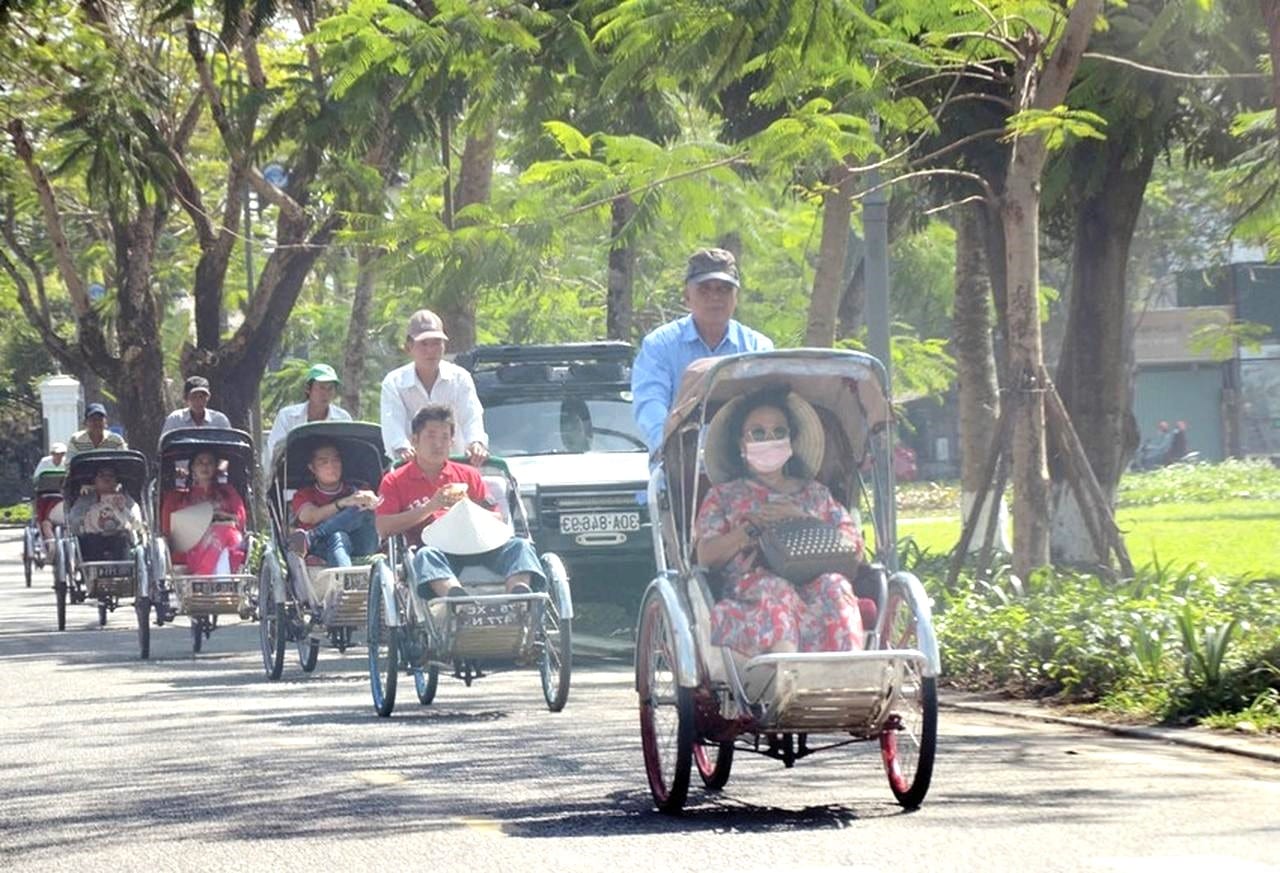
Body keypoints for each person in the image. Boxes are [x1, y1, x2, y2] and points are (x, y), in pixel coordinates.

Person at [694, 389, 864, 657]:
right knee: (775, 588)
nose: (769, 439)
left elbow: (855, 550)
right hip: (750, 595)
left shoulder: (816, 494)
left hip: (814, 585)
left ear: (790, 441)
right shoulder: (723, 496)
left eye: (778, 432)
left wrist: (804, 519)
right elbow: (706, 555)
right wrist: (750, 529)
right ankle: (786, 669)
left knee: (835, 585)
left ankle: (850, 666)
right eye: (758, 433)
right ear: (741, 444)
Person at [376, 403, 542, 598]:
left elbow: (497, 517)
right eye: (431, 436)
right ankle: (455, 599)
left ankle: (520, 596)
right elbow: (383, 527)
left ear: (452, 442)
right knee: (425, 556)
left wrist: (468, 510)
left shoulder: (468, 475)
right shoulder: (395, 480)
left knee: (520, 546)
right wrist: (431, 507)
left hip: (480, 544)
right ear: (415, 440)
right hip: (436, 548)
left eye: (445, 437)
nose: (438, 444)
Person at [632, 248, 774, 454]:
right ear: (687, 296)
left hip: (743, 464)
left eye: (724, 289)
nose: (714, 297)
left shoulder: (758, 348)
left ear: (736, 297)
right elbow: (650, 404)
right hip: (678, 463)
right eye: (704, 289)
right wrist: (667, 447)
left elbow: (769, 409)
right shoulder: (659, 345)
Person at [379, 309, 488, 465]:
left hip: (457, 467)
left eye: (436, 343)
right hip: (413, 470)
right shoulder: (394, 383)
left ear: (444, 346)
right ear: (409, 347)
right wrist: (402, 449)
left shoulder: (460, 378)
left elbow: (471, 417)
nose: (431, 350)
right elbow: (392, 424)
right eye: (423, 344)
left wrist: (476, 443)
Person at [288, 442, 378, 568]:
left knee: (363, 508)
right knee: (339, 536)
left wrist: (374, 502)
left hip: (361, 544)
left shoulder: (357, 490)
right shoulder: (304, 494)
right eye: (323, 462)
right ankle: (344, 578)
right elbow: (309, 517)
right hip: (322, 548)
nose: (331, 466)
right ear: (312, 468)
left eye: (336, 460)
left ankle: (311, 536)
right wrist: (343, 502)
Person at [159, 450, 247, 575]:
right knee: (223, 533)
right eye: (200, 462)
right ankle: (210, 574)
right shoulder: (178, 497)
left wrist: (217, 518)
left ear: (215, 467)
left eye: (209, 463)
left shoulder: (228, 492)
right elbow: (171, 530)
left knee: (230, 535)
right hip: (192, 548)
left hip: (229, 544)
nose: (205, 466)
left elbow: (239, 520)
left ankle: (209, 574)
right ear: (192, 467)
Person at [263, 363, 352, 471]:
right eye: (321, 388)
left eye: (330, 388)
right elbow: (275, 451)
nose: (326, 393)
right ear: (308, 389)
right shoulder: (287, 416)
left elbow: (348, 453)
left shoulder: (343, 418)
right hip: (293, 476)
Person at [67, 465, 144, 561]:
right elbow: (73, 522)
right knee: (92, 540)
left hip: (120, 539)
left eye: (111, 476)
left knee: (123, 538)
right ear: (95, 480)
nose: (106, 479)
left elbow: (137, 523)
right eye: (101, 475)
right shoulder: (85, 501)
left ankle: (123, 567)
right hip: (92, 540)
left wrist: (123, 510)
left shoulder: (126, 500)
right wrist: (88, 520)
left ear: (116, 481)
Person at [161, 376, 231, 435]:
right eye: (194, 397)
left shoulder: (220, 421)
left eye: (201, 397)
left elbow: (228, 445)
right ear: (186, 398)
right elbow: (166, 444)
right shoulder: (175, 420)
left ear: (208, 398)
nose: (198, 401)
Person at [33, 442, 67, 546]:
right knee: (43, 518)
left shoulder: (66, 462)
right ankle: (48, 541)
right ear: (52, 454)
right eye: (57, 453)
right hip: (44, 494)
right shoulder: (44, 462)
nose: (59, 456)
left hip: (61, 495)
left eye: (62, 453)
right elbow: (36, 479)